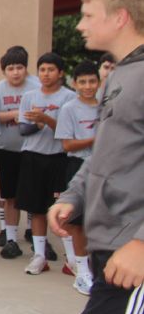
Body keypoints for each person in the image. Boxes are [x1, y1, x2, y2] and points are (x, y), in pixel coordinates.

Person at [49, 0, 144, 314]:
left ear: (120, 17)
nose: (80, 25)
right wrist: (74, 196)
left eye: (88, 15)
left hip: (132, 254)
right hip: (112, 248)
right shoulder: (120, 76)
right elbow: (104, 153)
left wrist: (141, 243)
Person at [16, 52, 75, 275]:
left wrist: (46, 119)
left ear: (60, 73)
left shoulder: (69, 98)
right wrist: (37, 124)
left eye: (51, 70)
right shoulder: (29, 96)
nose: (46, 74)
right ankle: (40, 256)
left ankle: (72, 259)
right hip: (33, 157)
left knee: (62, 211)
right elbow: (23, 129)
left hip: (59, 158)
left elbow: (68, 131)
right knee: (37, 209)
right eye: (42, 69)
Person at [0, 46, 40, 258]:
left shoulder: (36, 87)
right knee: (9, 196)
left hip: (33, 150)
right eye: (10, 68)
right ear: (4, 71)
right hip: (6, 149)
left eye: (19, 67)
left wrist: (27, 116)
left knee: (34, 195)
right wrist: (14, 114)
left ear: (26, 68)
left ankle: (36, 236)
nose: (15, 72)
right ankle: (10, 239)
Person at [53, 60, 100, 295]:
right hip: (77, 165)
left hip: (105, 167)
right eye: (83, 82)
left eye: (92, 81)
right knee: (77, 222)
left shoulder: (107, 106)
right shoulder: (69, 109)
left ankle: (97, 267)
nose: (88, 86)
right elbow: (67, 144)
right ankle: (81, 272)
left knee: (100, 219)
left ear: (99, 83)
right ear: (75, 84)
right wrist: (96, 139)